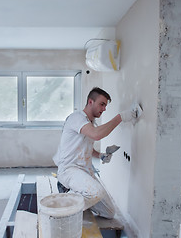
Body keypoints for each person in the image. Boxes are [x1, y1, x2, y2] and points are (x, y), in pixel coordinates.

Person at [52, 87, 142, 219]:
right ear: (90, 102)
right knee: (96, 192)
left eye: (105, 105)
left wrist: (100, 155)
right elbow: (96, 135)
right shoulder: (77, 118)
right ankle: (64, 200)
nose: (104, 108)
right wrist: (120, 117)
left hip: (84, 171)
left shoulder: (90, 124)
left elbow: (86, 148)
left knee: (110, 212)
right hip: (69, 170)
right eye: (102, 104)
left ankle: (76, 195)